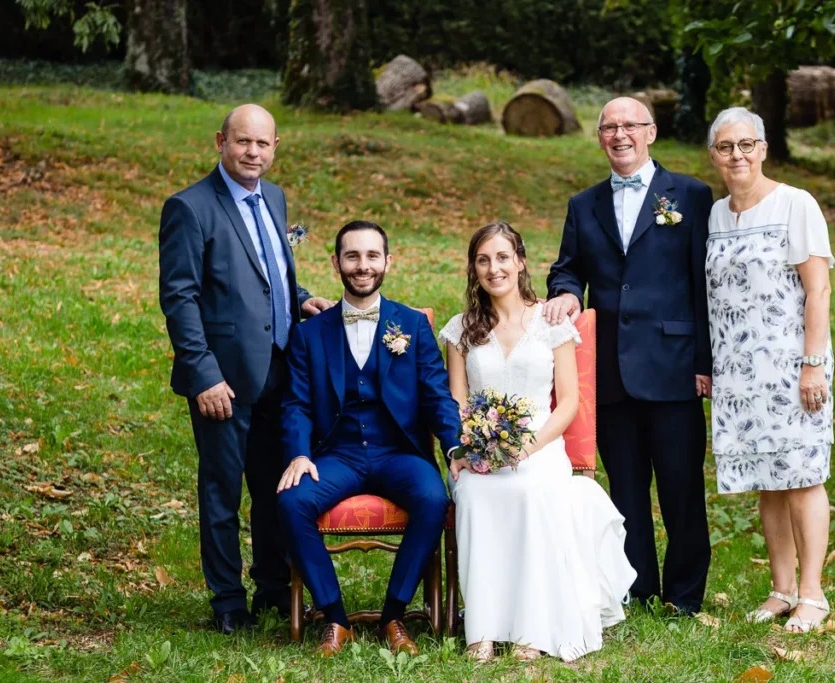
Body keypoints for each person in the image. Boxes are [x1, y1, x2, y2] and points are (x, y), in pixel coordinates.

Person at [158, 104, 333, 633]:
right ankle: (228, 600)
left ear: (276, 146)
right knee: (222, 490)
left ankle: (274, 588)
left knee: (272, 484)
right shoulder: (189, 208)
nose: (253, 153)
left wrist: (300, 300)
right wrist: (203, 373)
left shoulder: (273, 197)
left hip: (280, 366)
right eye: (242, 142)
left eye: (263, 144)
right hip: (224, 378)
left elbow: (269, 271)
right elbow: (180, 297)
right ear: (221, 142)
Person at [544, 97, 714, 614]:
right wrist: (569, 292)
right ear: (599, 138)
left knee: (682, 488)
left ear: (651, 132)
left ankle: (684, 595)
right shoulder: (584, 204)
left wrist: (705, 362)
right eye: (609, 128)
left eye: (630, 126)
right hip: (610, 367)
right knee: (626, 491)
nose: (620, 135)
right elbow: (567, 267)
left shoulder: (691, 195)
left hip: (674, 365)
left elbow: (707, 285)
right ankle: (637, 589)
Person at [438, 221, 635, 662]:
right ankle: (482, 628)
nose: (494, 269)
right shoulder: (461, 329)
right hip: (484, 452)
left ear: (521, 262)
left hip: (542, 447)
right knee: (472, 494)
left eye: (503, 257)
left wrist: (528, 447)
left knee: (531, 490)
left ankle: (533, 628)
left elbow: (567, 403)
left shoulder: (551, 322)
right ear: (473, 268)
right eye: (484, 260)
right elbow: (457, 401)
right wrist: (467, 451)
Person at [276, 221, 461, 656]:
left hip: (397, 452)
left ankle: (393, 616)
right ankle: (335, 620)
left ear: (388, 262)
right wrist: (300, 455)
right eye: (353, 256)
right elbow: (297, 404)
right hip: (335, 455)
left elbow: (437, 395)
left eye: (372, 256)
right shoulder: (308, 334)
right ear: (336, 262)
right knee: (291, 502)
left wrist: (454, 447)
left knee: (433, 498)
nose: (363, 266)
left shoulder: (412, 326)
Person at [705, 107, 835, 633]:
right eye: (725, 146)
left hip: (790, 367)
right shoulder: (716, 216)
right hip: (738, 374)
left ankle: (813, 594)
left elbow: (818, 290)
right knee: (768, 479)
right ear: (713, 155)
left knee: (802, 477)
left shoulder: (795, 204)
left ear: (763, 149)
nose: (736, 155)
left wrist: (811, 365)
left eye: (746, 144)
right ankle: (781, 589)